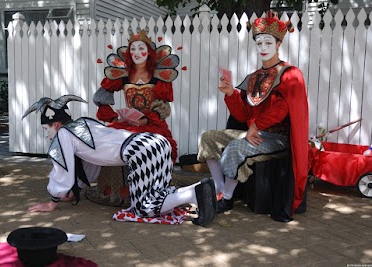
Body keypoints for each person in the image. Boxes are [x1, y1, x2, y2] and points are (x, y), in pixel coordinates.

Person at [22, 95, 216, 226]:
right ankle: (199, 190)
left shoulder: (63, 134)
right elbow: (90, 161)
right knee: (158, 192)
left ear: (56, 124)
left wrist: (53, 200)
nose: (47, 136)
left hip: (140, 149)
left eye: (46, 129)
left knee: (144, 208)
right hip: (156, 142)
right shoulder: (85, 124)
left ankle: (194, 193)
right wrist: (75, 190)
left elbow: (62, 168)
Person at [197, 10, 309, 219]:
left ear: (278, 44)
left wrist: (256, 126)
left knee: (236, 147)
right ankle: (220, 189)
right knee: (208, 138)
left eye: (268, 42)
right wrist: (231, 93)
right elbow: (242, 114)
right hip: (253, 132)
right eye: (259, 43)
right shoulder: (254, 77)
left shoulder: (290, 73)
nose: (263, 48)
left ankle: (227, 199)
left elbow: (281, 109)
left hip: (277, 138)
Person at [93, 30, 179, 162]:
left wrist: (145, 120)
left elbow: (163, 106)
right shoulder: (123, 74)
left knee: (156, 146)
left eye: (141, 48)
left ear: (149, 52)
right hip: (127, 124)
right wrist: (114, 118)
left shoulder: (159, 76)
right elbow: (100, 97)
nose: (136, 53)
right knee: (106, 143)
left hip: (153, 124)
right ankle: (116, 182)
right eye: (133, 49)